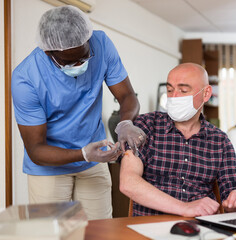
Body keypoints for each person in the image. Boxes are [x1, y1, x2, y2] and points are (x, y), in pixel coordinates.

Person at [11, 6, 146, 220]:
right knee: (53, 235)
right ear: (48, 52)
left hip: (95, 161)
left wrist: (125, 123)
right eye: (69, 62)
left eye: (84, 56)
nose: (80, 65)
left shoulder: (100, 44)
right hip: (49, 166)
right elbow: (36, 150)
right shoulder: (25, 78)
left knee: (100, 231)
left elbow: (127, 95)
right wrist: (83, 153)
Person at [119, 63, 236, 217]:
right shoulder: (145, 126)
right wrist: (184, 208)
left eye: (183, 90)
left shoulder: (220, 141)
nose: (174, 97)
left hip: (201, 228)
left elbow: (231, 189)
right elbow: (128, 182)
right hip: (149, 226)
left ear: (206, 93)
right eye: (169, 90)